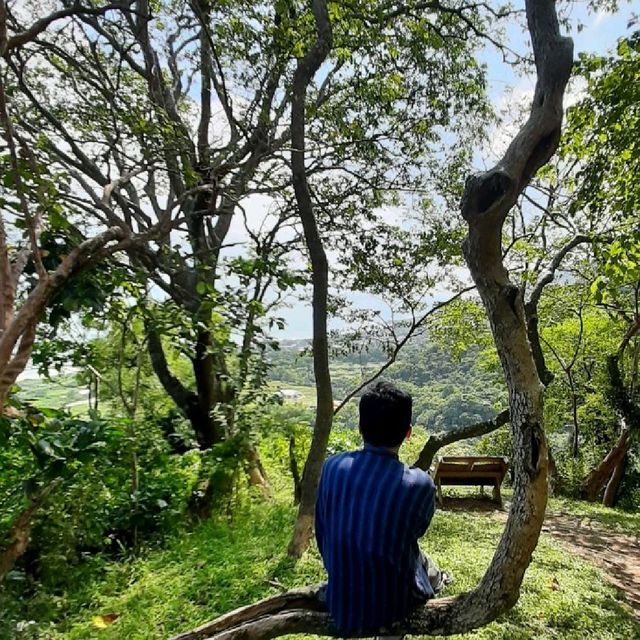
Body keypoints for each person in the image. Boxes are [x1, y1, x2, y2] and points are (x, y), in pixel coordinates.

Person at [315, 380, 451, 638]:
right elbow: (415, 530)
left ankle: (435, 577)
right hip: (393, 607)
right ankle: (435, 581)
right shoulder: (420, 484)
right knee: (417, 559)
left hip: (340, 597)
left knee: (415, 557)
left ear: (360, 427)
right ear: (408, 433)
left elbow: (322, 531)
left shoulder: (332, 467)